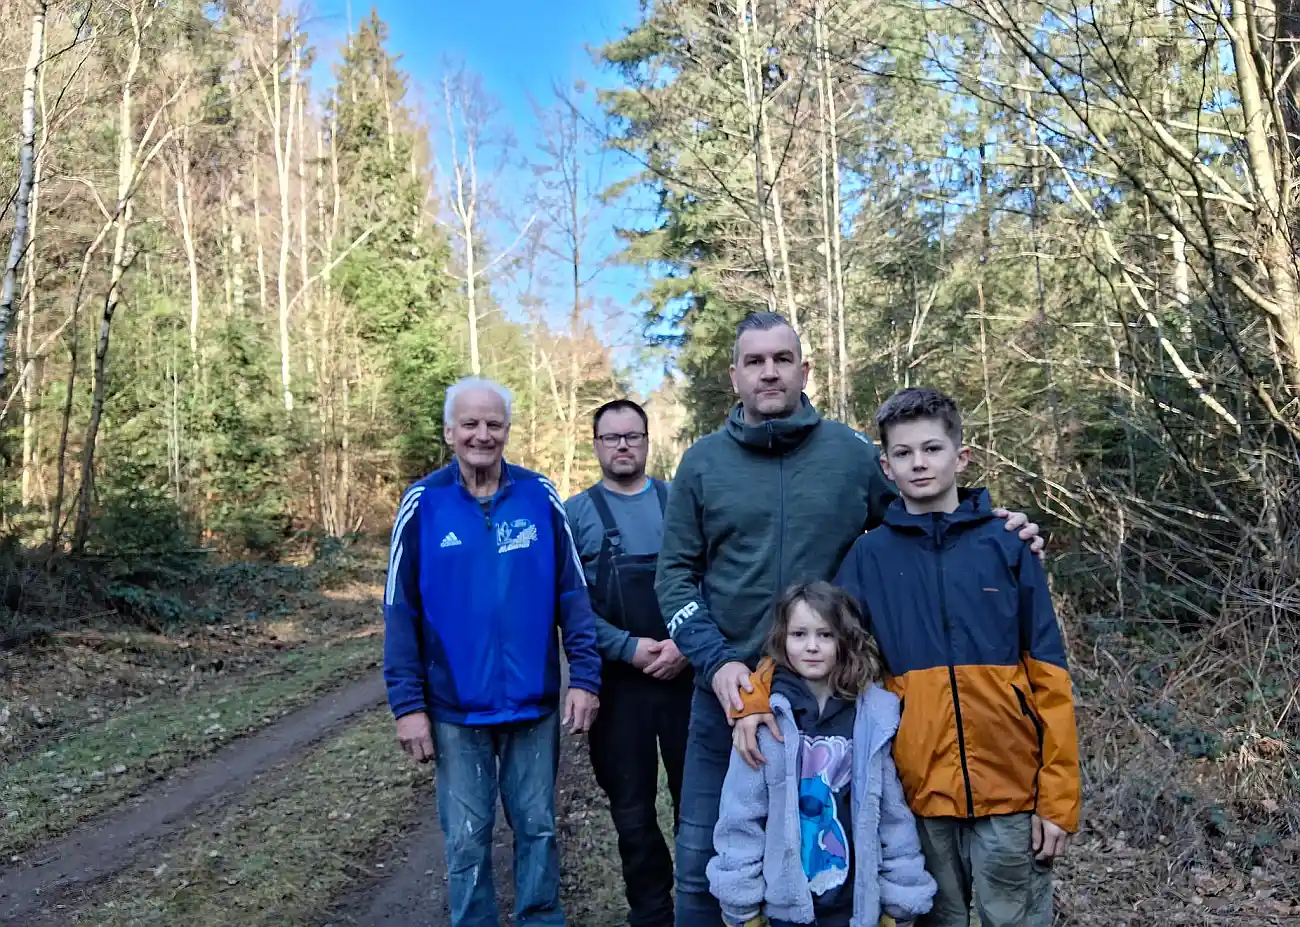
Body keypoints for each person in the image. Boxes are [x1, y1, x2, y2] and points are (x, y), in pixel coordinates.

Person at [654, 311, 1045, 927]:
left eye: (782, 358)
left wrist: (995, 528)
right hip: (731, 700)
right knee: (710, 858)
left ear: (804, 370)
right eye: (754, 361)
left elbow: (924, 524)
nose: (769, 372)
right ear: (735, 376)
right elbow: (673, 576)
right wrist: (716, 659)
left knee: (842, 856)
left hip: (837, 701)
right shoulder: (701, 465)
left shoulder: (852, 456)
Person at [737, 387, 1081, 926]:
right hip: (918, 792)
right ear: (886, 466)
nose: (918, 463)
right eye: (903, 453)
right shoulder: (870, 555)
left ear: (960, 457)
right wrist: (756, 699)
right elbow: (813, 641)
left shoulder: (1007, 546)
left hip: (1012, 792)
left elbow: (1050, 678)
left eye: (932, 449)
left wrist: (1057, 799)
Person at [382, 375, 602, 927]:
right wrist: (408, 707)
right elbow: (399, 612)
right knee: (465, 840)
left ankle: (540, 919)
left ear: (507, 430)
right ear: (450, 431)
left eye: (494, 424)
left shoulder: (539, 495)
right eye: (471, 424)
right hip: (456, 708)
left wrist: (586, 678)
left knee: (538, 828)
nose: (483, 434)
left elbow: (573, 594)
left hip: (534, 704)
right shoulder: (423, 504)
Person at [708, 581, 937, 927]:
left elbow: (892, 818)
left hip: (854, 908)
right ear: (782, 639)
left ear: (844, 640)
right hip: (785, 910)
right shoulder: (765, 720)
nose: (812, 647)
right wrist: (741, 907)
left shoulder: (871, 720)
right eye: (799, 634)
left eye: (825, 635)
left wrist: (902, 899)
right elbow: (740, 819)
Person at [564, 398, 692, 927]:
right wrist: (627, 648)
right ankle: (652, 912)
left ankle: (705, 907)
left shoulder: (679, 500)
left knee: (701, 809)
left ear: (646, 440)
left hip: (687, 680)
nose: (622, 445)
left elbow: (706, 581)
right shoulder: (574, 515)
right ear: (596, 445)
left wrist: (686, 644)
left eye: (632, 436)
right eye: (611, 437)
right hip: (620, 689)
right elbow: (568, 606)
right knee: (634, 816)